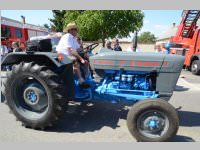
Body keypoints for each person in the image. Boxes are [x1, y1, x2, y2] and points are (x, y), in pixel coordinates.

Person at [56, 22, 89, 87]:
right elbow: (70, 50)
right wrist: (81, 58)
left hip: (68, 55)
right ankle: (81, 81)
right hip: (61, 55)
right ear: (71, 30)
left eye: (76, 29)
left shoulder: (73, 38)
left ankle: (87, 77)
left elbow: (78, 48)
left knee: (86, 60)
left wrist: (85, 51)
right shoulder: (67, 36)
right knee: (75, 61)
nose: (76, 31)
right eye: (75, 29)